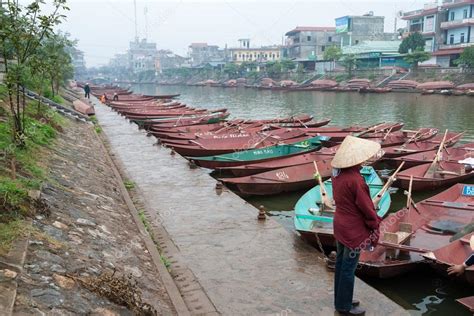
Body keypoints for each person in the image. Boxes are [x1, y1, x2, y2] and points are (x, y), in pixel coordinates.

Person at [331, 136, 382, 316]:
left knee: (340, 263)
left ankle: (341, 298)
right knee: (348, 267)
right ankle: (344, 306)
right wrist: (374, 224)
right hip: (353, 231)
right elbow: (366, 208)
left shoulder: (336, 174)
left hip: (340, 225)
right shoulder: (356, 180)